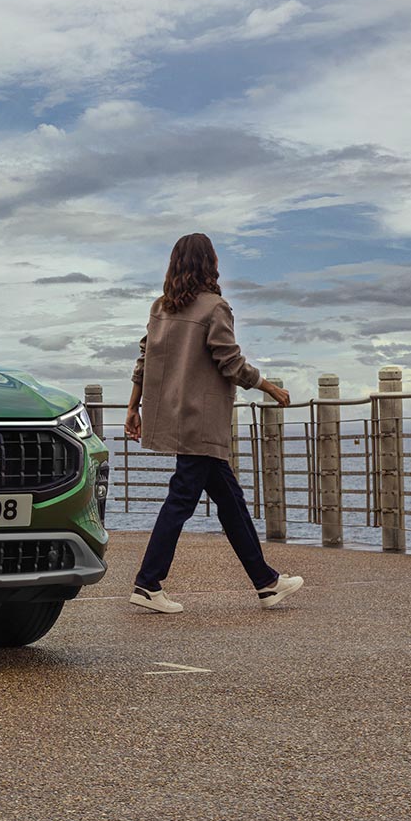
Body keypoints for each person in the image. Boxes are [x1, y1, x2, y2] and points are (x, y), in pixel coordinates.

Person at [123, 233, 303, 614]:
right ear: (210, 264)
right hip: (202, 424)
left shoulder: (160, 308)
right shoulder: (215, 308)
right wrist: (269, 386)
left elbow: (145, 359)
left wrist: (132, 406)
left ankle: (266, 583)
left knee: (230, 501)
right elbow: (230, 362)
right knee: (181, 499)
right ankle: (148, 582)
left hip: (178, 419)